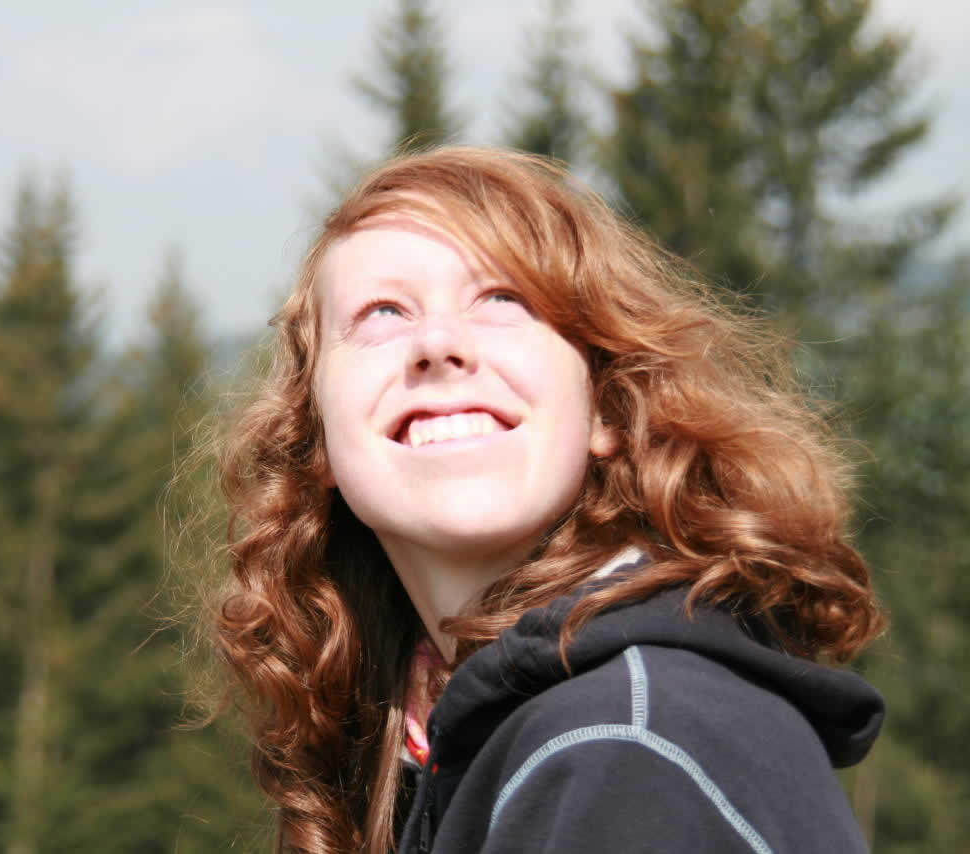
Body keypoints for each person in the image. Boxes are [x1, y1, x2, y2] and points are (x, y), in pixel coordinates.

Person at [208, 146, 884, 853]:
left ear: (607, 408)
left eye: (503, 299)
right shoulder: (467, 739)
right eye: (382, 312)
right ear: (315, 440)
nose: (436, 341)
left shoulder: (623, 750)